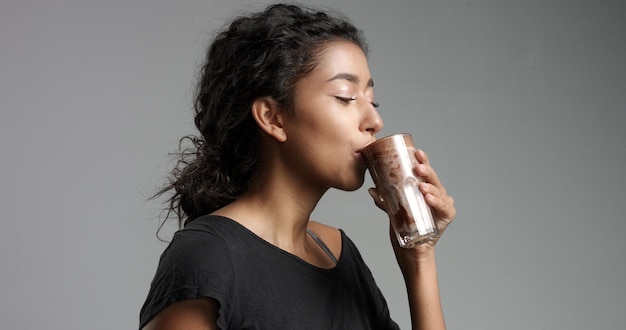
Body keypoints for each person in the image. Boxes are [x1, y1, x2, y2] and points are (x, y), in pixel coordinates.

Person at [139, 3, 456, 330]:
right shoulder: (208, 254)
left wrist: (419, 256)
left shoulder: (339, 254)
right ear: (272, 117)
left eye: (371, 101)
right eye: (346, 97)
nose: (374, 120)